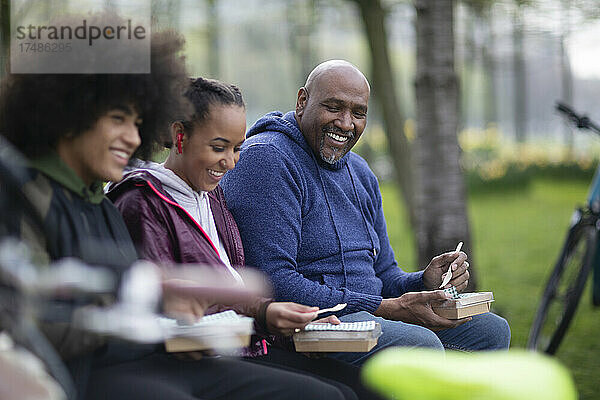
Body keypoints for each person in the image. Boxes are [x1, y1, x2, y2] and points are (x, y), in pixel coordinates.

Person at [0, 26, 349, 400]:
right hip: (85, 375)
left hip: (150, 361)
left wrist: (260, 313)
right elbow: (32, 321)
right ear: (67, 114)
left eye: (137, 123)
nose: (134, 139)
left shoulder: (97, 204)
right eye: (118, 119)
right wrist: (154, 308)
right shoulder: (26, 198)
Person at [220, 59, 511, 367]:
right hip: (311, 326)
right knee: (418, 344)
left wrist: (423, 283)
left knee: (490, 331)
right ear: (302, 101)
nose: (346, 124)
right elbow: (272, 282)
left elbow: (384, 274)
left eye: (358, 113)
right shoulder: (267, 159)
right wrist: (384, 308)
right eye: (334, 107)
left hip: (369, 315)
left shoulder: (360, 172)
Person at [107, 77, 378, 400]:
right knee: (330, 395)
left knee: (364, 386)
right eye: (219, 148)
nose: (232, 162)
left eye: (237, 148)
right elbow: (158, 305)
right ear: (180, 137)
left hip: (243, 345)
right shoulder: (143, 202)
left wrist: (272, 315)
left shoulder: (212, 196)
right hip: (191, 360)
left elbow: (232, 289)